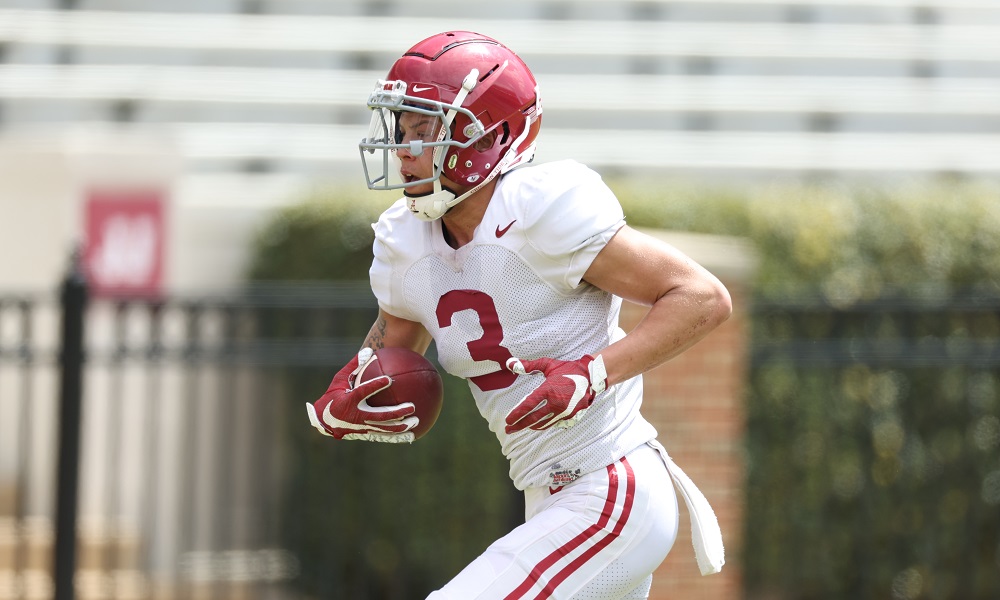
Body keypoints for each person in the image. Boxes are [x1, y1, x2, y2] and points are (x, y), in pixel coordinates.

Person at [306, 30, 732, 599]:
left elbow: (701, 296)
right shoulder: (408, 240)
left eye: (425, 131)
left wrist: (592, 372)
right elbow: (392, 354)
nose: (404, 150)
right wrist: (353, 392)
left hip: (610, 488)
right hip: (548, 496)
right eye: (402, 131)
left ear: (488, 133)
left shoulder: (540, 210)